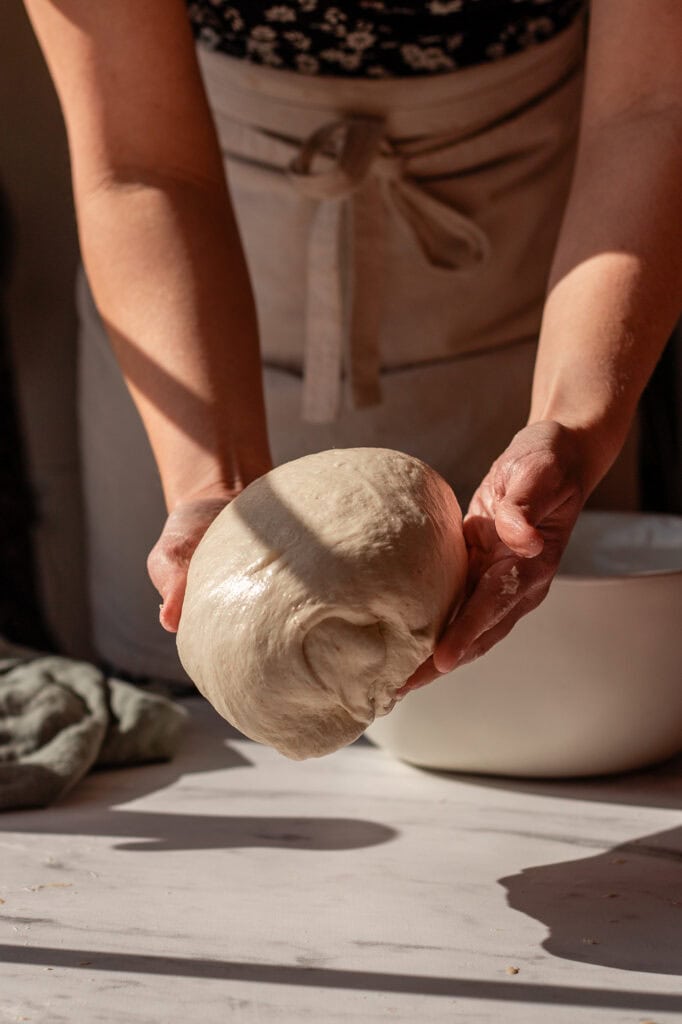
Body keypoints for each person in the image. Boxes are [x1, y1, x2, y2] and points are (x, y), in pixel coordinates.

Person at [23, 0, 682, 690]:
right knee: (202, 719)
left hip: (551, 286)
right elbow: (140, 164)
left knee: (538, 702)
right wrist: (208, 484)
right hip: (189, 306)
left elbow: (651, 107)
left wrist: (573, 422)